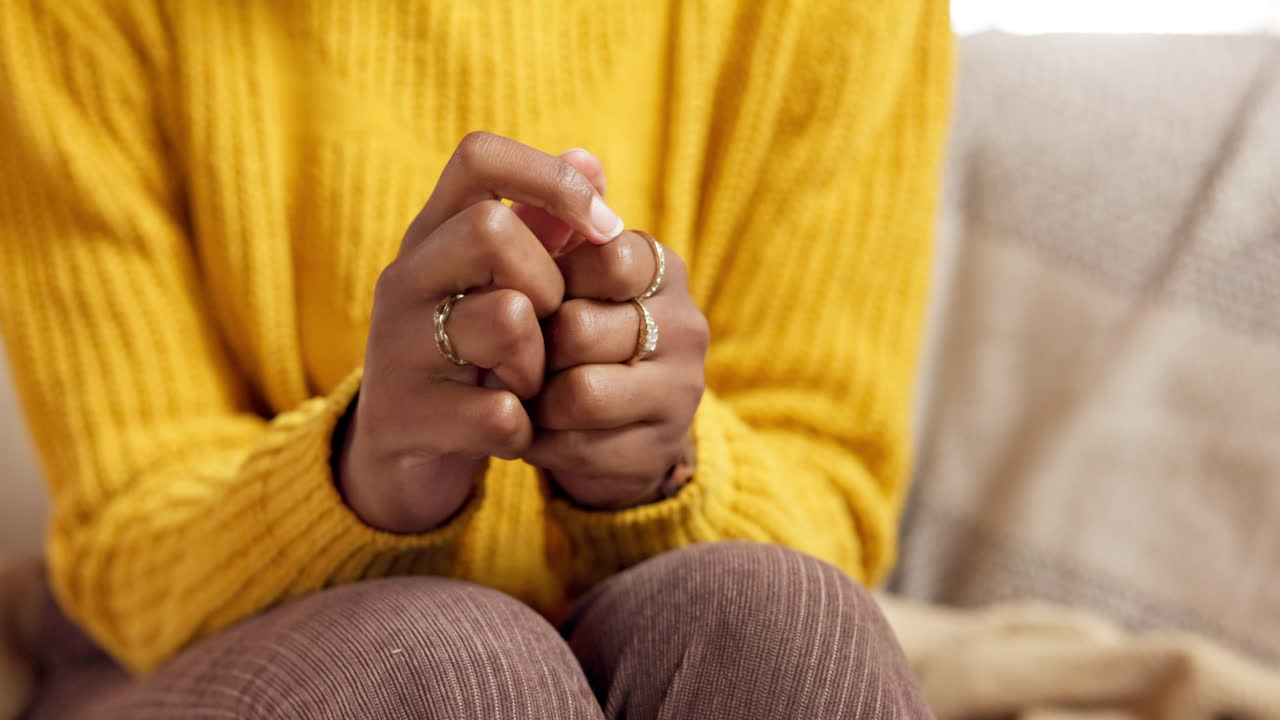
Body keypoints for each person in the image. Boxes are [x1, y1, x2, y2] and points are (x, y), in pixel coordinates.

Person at [0, 0, 952, 717]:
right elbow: (126, 523)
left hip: (677, 598)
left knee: (790, 628)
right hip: (198, 649)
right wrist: (361, 473)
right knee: (453, 669)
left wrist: (656, 462)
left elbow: (834, 498)